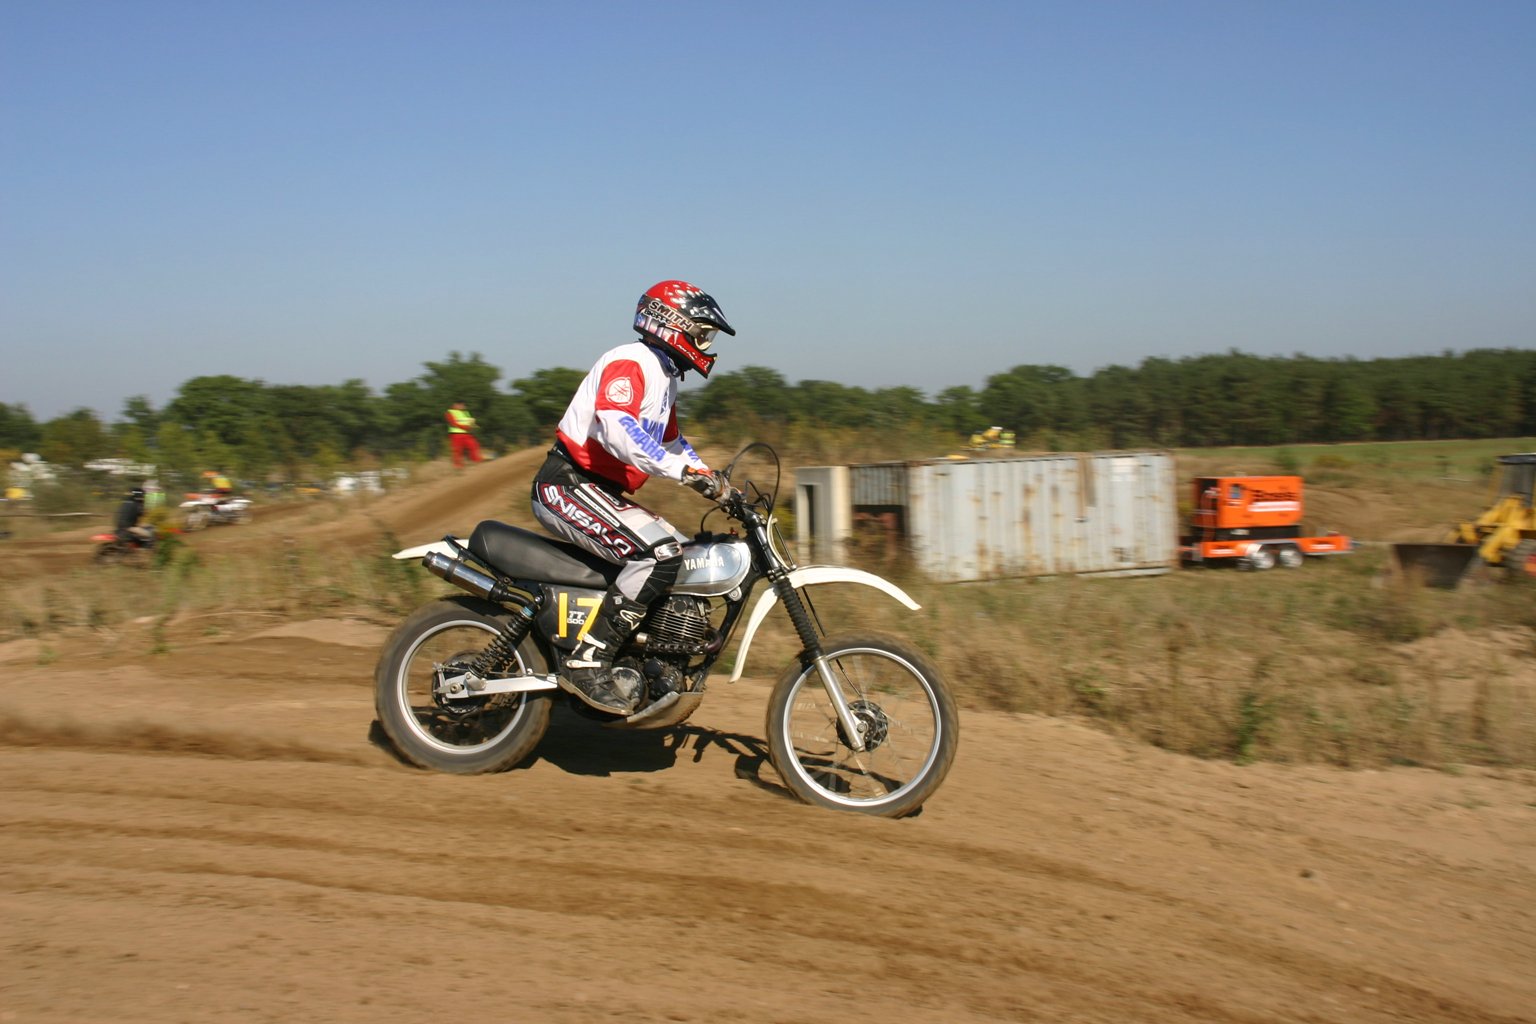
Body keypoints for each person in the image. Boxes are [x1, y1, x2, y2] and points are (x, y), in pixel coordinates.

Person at [530, 279, 735, 714]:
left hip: (598, 490)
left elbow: (673, 442)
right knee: (661, 555)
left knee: (685, 554)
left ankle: (649, 660)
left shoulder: (664, 377)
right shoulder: (632, 360)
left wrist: (715, 482)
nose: (706, 345)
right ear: (671, 323)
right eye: (702, 333)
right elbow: (617, 428)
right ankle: (586, 662)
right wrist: (684, 473)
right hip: (568, 484)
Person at [445, 402, 483, 467]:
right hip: (456, 435)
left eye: (463, 404)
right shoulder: (450, 412)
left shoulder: (466, 413)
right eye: (460, 404)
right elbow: (453, 423)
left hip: (467, 434)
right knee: (458, 450)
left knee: (474, 446)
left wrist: (473, 426)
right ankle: (458, 466)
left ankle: (477, 462)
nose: (463, 406)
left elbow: (470, 423)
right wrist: (464, 427)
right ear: (455, 405)